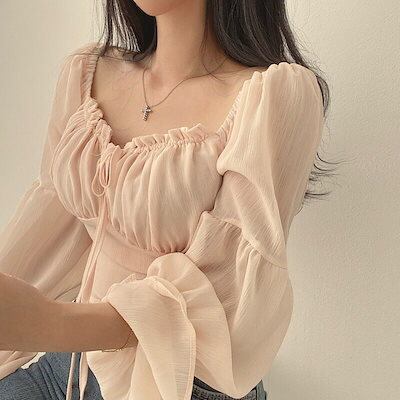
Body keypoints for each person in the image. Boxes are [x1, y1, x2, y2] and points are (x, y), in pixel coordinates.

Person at [0, 1, 328, 399]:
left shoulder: (273, 96)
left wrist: (52, 323)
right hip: (70, 363)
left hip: (184, 380)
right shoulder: (85, 73)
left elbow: (230, 291)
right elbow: (51, 226)